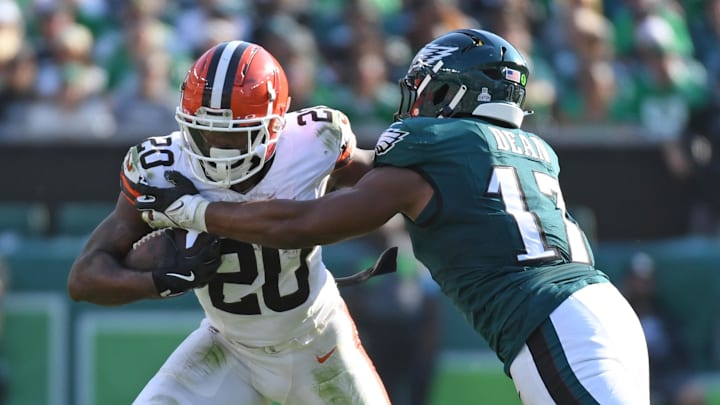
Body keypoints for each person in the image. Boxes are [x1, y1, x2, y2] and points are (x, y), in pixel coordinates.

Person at [131, 29, 651, 404]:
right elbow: (381, 179)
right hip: (602, 308)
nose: (415, 102)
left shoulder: (433, 145)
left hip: (550, 320)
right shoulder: (529, 148)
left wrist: (195, 210)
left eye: (425, 88)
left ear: (453, 92)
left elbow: (302, 225)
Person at [67, 40, 390, 404]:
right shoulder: (163, 169)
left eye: (234, 136)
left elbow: (383, 186)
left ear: (275, 126)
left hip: (318, 341)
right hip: (229, 347)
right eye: (205, 133)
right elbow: (84, 278)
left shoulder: (311, 143)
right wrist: (157, 281)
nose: (217, 150)